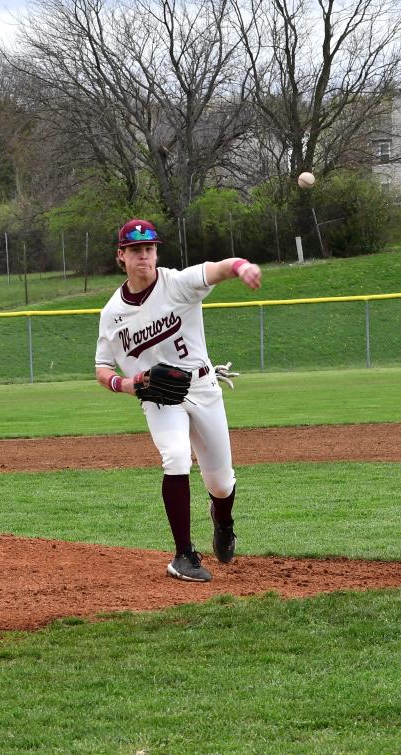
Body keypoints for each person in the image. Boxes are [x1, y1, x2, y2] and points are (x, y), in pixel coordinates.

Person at [94, 219, 262, 583]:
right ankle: (183, 555)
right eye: (136, 250)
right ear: (120, 256)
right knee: (175, 457)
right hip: (159, 398)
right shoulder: (111, 314)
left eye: (149, 249)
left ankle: (223, 519)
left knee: (220, 483)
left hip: (202, 389)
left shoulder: (177, 283)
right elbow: (102, 367)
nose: (144, 256)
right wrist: (127, 384)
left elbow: (218, 269)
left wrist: (242, 267)